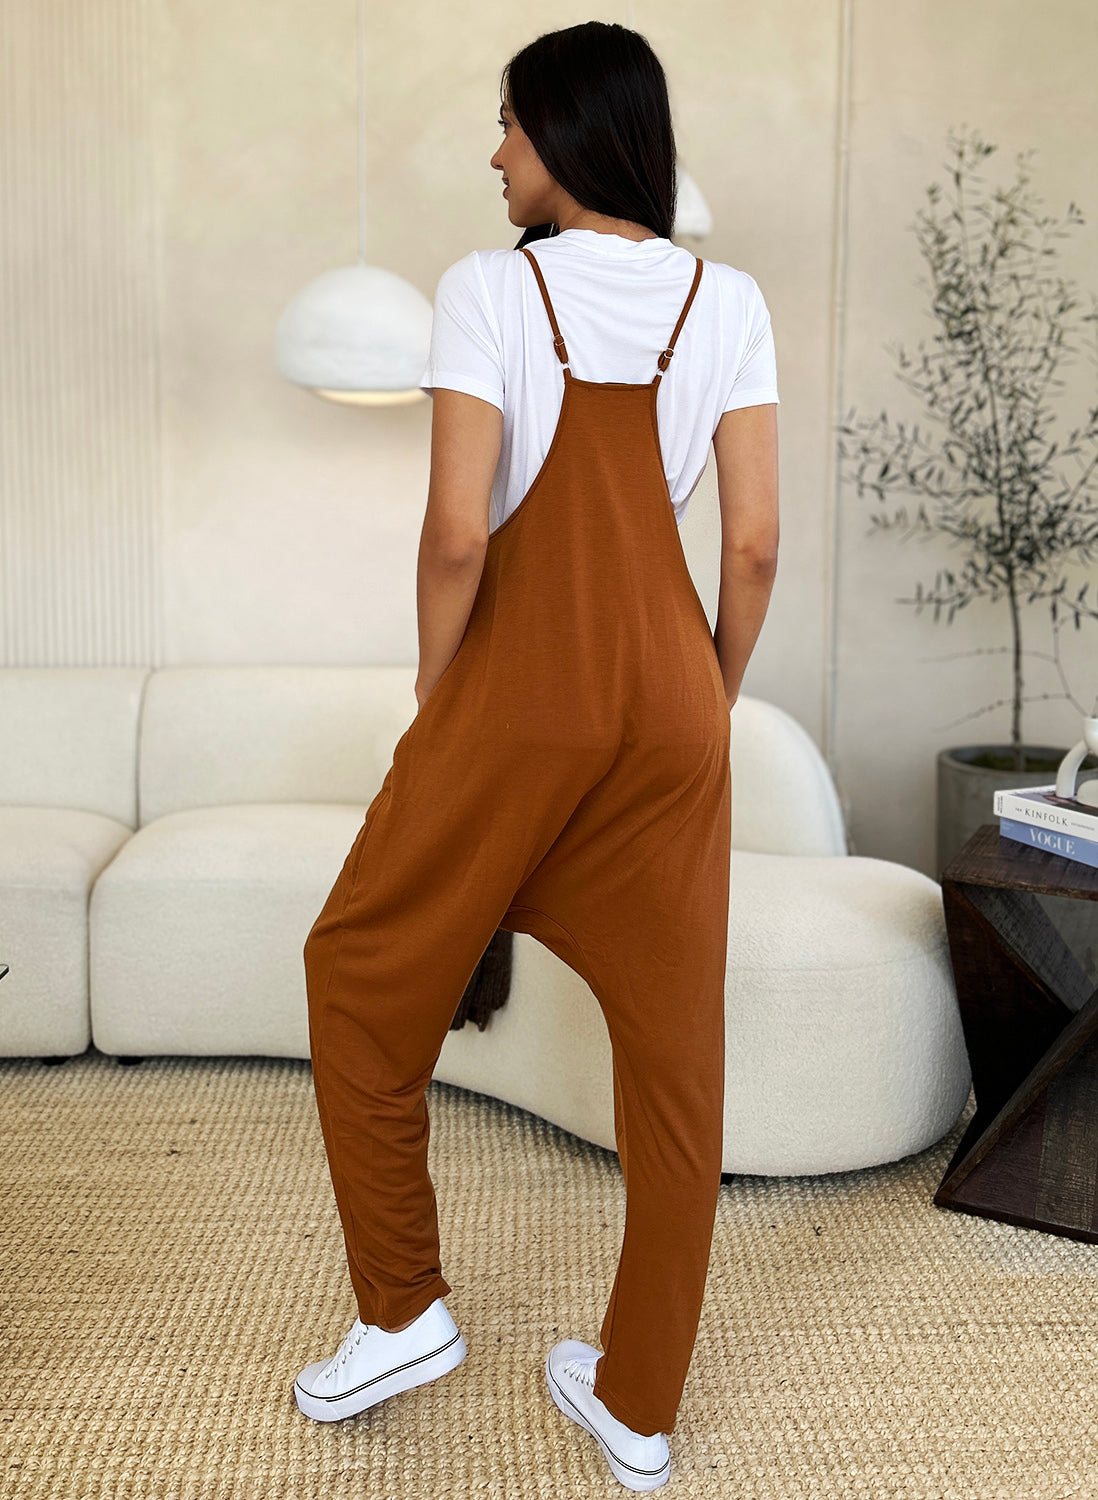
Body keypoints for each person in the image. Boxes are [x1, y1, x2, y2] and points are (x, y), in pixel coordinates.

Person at [294, 19, 779, 1494]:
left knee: (358, 967)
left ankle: (403, 1311)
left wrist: (436, 699)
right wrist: (702, 696)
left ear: (563, 137)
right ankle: (636, 1406)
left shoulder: (489, 289)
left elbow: (455, 533)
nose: (491, 154)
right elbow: (750, 547)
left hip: (517, 696)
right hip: (671, 707)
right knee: (675, 1063)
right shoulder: (731, 297)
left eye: (505, 125)